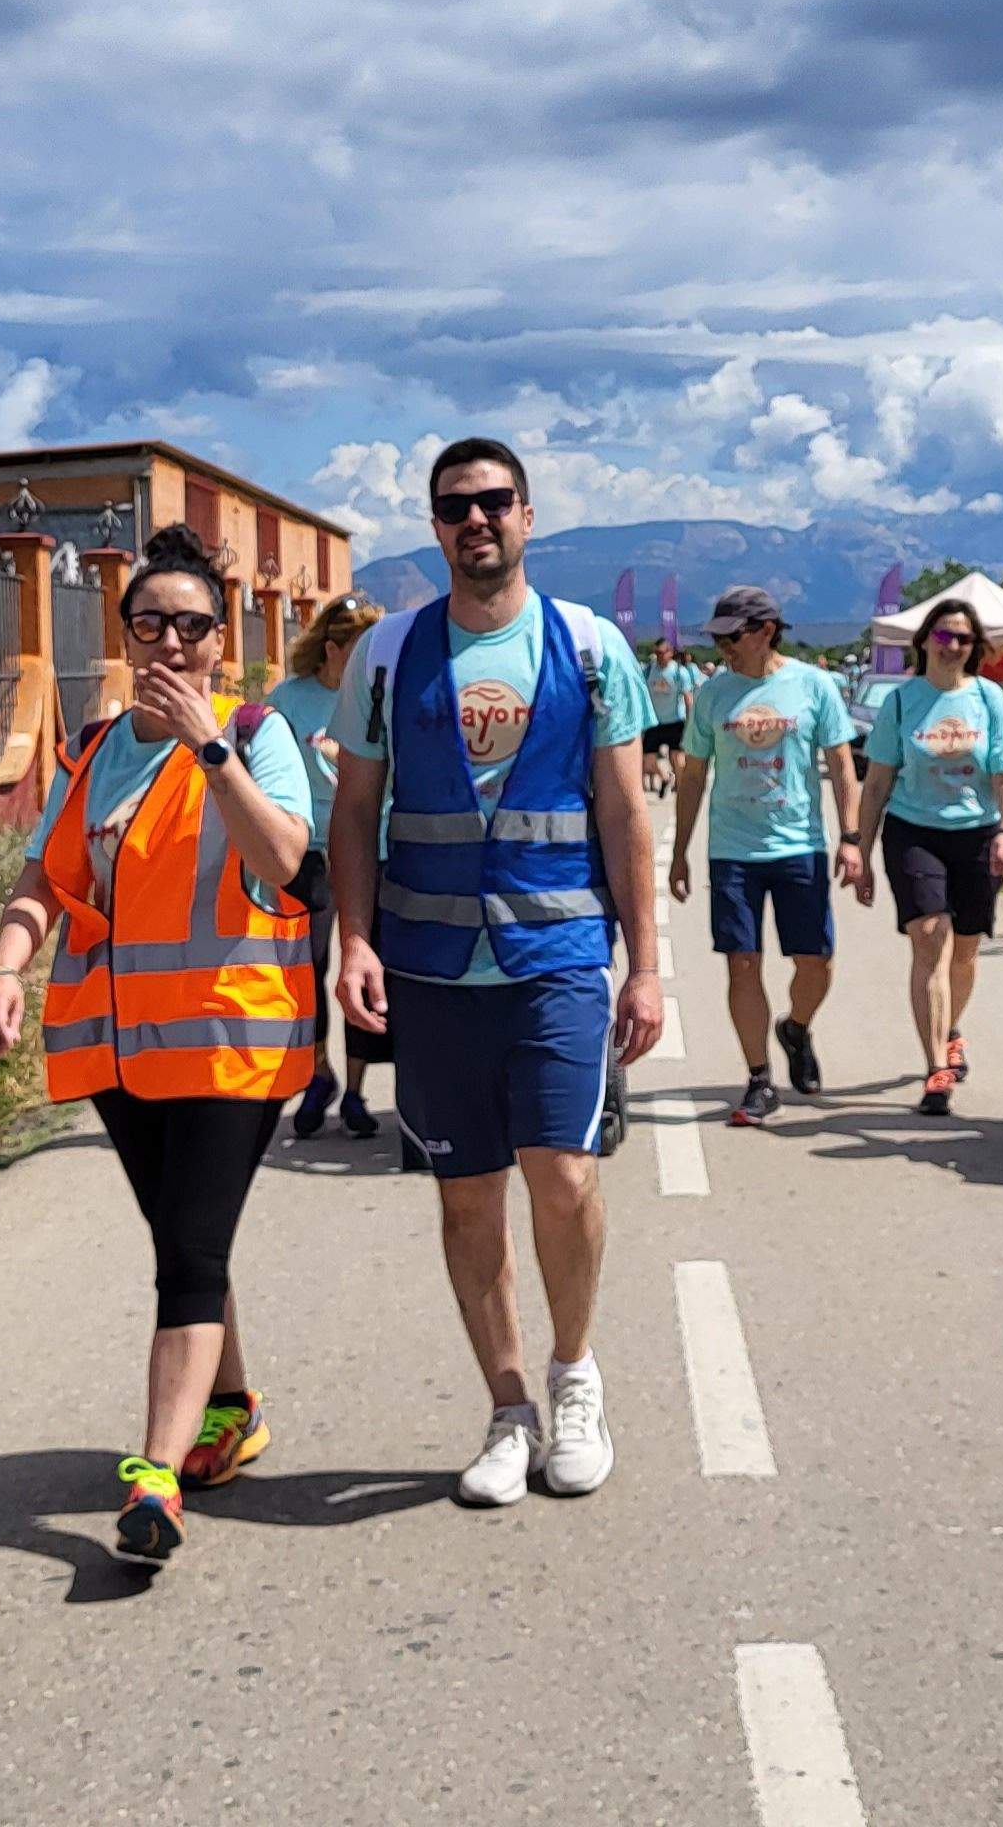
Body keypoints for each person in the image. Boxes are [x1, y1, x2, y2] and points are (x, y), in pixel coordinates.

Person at [0, 523, 318, 1569]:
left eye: (191, 625)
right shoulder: (88, 750)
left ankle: (156, 1477)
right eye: (149, 623)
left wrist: (208, 750)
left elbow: (288, 860)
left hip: (230, 1044)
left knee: (190, 1253)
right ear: (126, 634)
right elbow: (42, 880)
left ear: (223, 640)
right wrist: (2, 969)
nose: (169, 642)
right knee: (184, 1239)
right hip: (124, 1054)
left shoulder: (256, 735)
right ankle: (231, 1410)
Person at [327, 438, 664, 1508]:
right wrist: (353, 939)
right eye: (454, 507)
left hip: (559, 955)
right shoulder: (385, 653)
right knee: (467, 1196)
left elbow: (623, 814)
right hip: (431, 968)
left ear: (528, 514)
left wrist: (647, 967)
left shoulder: (591, 645)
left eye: (493, 502)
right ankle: (508, 1408)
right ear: (434, 526)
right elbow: (351, 812)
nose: (475, 521)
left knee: (561, 1176)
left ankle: (573, 1377)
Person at [670, 586, 866, 1128]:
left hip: (798, 845)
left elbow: (842, 766)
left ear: (765, 631)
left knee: (815, 962)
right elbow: (692, 777)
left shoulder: (813, 685)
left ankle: (797, 1027)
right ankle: (759, 1077)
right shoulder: (713, 695)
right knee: (743, 960)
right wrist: (681, 851)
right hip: (733, 849)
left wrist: (850, 838)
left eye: (733, 636)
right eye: (718, 638)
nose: (724, 648)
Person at [851, 595, 1003, 1117]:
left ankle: (950, 1028)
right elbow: (878, 780)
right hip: (913, 832)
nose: (953, 646)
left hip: (977, 834)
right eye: (944, 636)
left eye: (964, 639)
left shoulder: (989, 699)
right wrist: (860, 849)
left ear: (975, 648)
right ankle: (937, 1071)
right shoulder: (902, 703)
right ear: (924, 640)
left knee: (965, 953)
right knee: (930, 940)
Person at [264, 596, 389, 1145]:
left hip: (372, 848)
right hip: (308, 852)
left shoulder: (379, 697)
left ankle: (359, 1091)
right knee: (306, 973)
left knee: (367, 972)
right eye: (356, 655)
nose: (366, 666)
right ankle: (319, 1074)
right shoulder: (289, 702)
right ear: (331, 650)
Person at [641, 640, 705, 799]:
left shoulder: (679, 672)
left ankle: (683, 789)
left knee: (677, 757)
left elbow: (688, 697)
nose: (659, 656)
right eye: (657, 653)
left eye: (662, 653)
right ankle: (665, 778)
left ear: (670, 653)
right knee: (648, 759)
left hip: (675, 721)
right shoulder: (649, 671)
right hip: (654, 721)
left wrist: (690, 722)